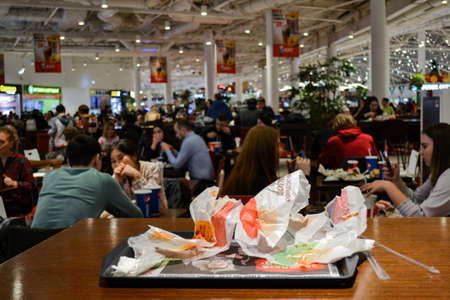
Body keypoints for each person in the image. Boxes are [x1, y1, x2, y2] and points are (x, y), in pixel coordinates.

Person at [31, 135, 143, 229]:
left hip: (34, 246)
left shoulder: (50, 176)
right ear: (97, 159)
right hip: (72, 246)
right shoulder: (103, 180)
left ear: (68, 161)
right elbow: (136, 217)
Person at [361, 123, 450, 217]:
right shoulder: (439, 173)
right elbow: (415, 199)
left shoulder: (448, 178)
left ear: (440, 148)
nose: (420, 152)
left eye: (425, 146)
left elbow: (420, 217)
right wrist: (397, 181)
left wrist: (388, 186)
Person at [221, 126, 278, 196]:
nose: (280, 151)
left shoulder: (240, 175)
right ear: (267, 150)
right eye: (277, 146)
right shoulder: (262, 185)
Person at [111, 139, 168, 208]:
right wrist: (117, 184)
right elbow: (113, 206)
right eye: (113, 161)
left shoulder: (151, 168)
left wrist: (137, 176)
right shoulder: (116, 176)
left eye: (120, 158)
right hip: (130, 217)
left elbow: (152, 201)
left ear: (134, 156)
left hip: (157, 215)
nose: (117, 164)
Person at [0, 126, 34, 216]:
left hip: (16, 205)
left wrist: (15, 184)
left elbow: (31, 186)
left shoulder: (21, 161)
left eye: (2, 142)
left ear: (11, 144)